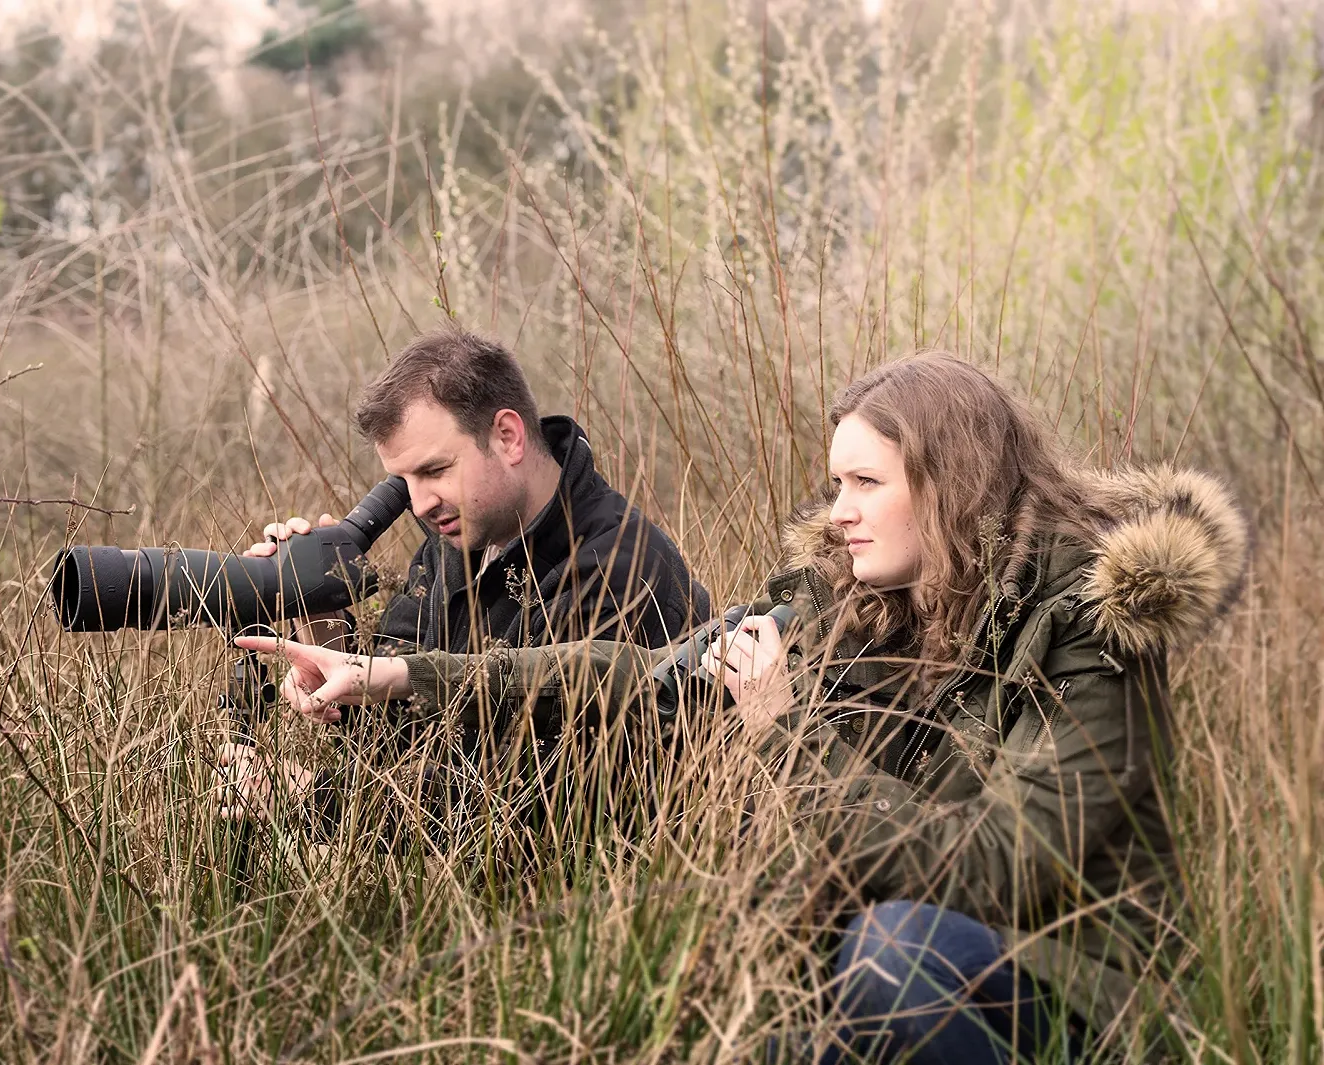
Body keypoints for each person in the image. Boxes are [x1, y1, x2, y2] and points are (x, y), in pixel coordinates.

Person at [236, 351, 1251, 1062]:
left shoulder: (1089, 631)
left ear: (950, 486)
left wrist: (788, 731)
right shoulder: (851, 600)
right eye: (832, 482)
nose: (837, 510)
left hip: (1078, 994)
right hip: (888, 974)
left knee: (893, 948)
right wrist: (399, 679)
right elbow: (638, 678)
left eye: (863, 483)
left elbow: (990, 868)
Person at [219, 323, 709, 832]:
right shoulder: (458, 542)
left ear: (508, 437)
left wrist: (311, 801)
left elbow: (537, 808)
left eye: (434, 470)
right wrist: (318, 618)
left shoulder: (620, 569)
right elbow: (396, 729)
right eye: (403, 481)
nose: (418, 504)